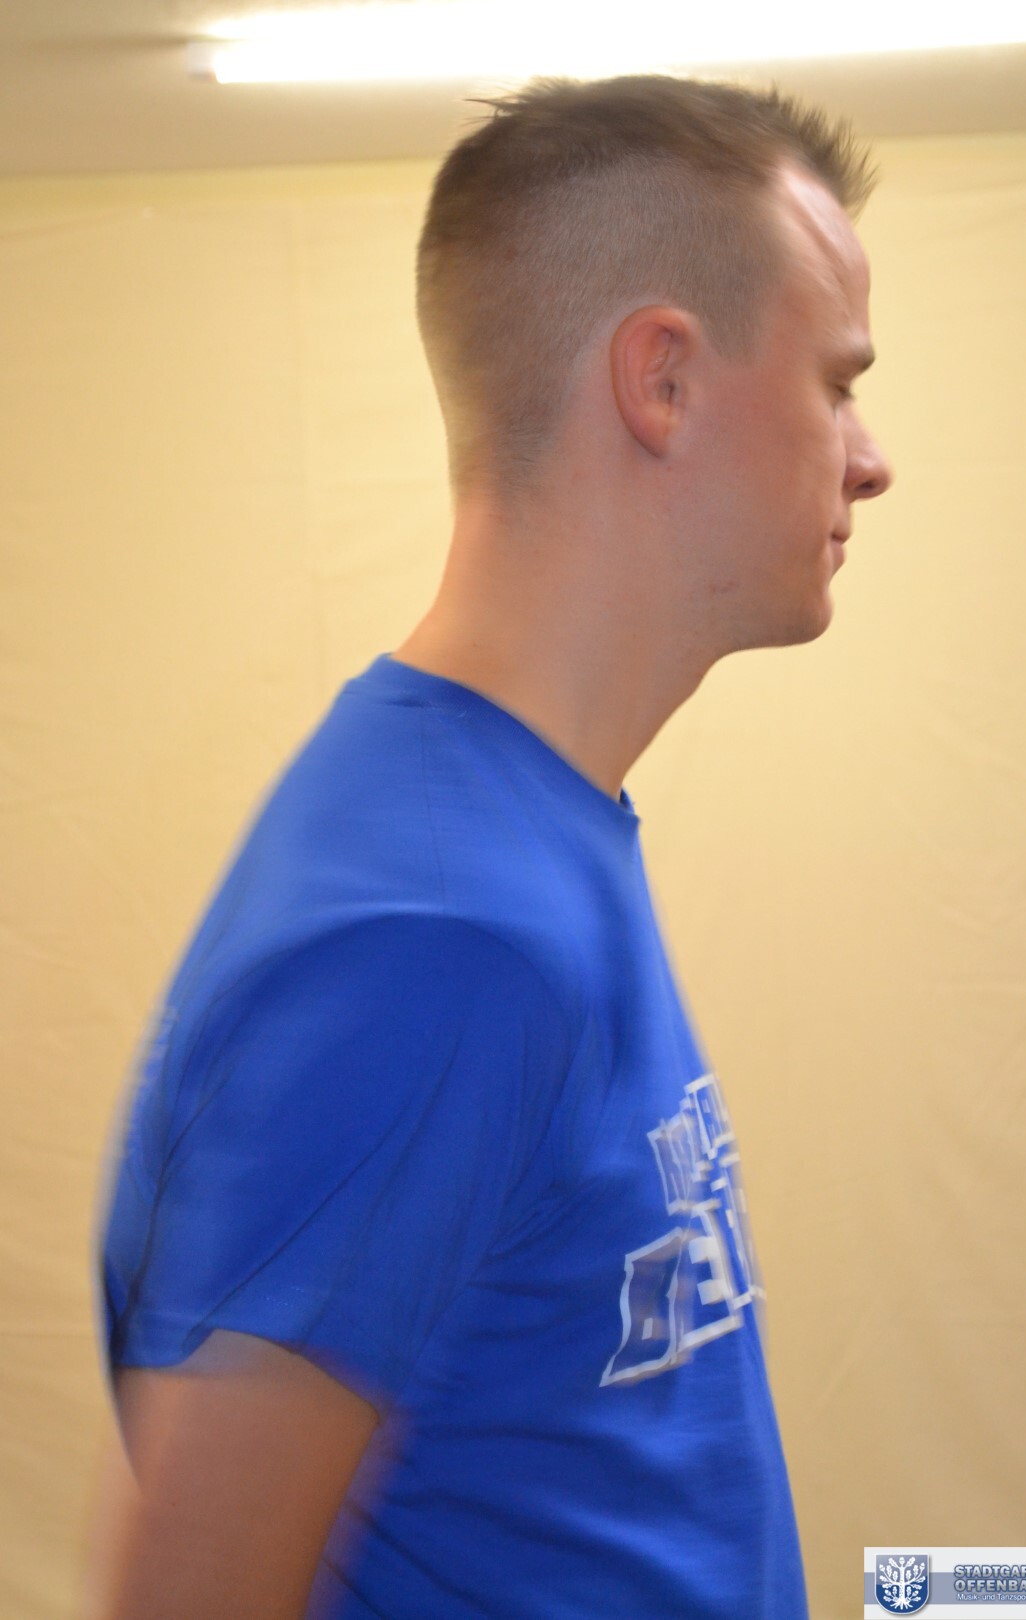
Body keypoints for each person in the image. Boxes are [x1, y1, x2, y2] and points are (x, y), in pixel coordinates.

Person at [88, 71, 892, 1620]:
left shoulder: (528, 836)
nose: (869, 457)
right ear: (662, 381)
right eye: (838, 381)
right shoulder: (432, 935)